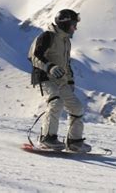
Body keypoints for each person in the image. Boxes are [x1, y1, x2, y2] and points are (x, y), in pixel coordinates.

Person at [28, 9, 91, 152]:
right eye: (73, 24)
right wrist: (49, 67)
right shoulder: (47, 37)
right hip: (44, 78)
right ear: (64, 23)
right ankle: (47, 138)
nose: (75, 28)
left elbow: (66, 63)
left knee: (77, 107)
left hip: (60, 80)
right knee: (56, 102)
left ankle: (74, 142)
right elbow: (34, 56)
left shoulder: (66, 41)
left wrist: (70, 81)